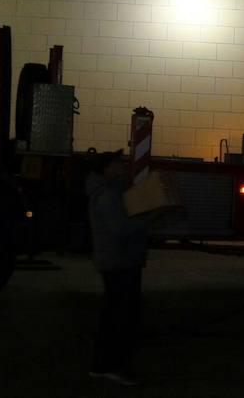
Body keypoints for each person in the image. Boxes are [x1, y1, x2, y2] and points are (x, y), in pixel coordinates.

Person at [85, 149, 149, 386]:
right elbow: (120, 230)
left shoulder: (107, 192)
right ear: (105, 168)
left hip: (116, 261)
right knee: (120, 317)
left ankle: (103, 365)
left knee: (113, 314)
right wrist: (148, 220)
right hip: (120, 262)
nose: (122, 166)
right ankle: (111, 366)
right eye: (117, 163)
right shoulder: (108, 196)